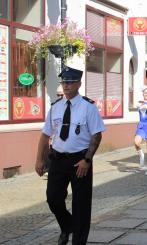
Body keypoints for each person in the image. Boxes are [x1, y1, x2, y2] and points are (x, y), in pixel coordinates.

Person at [35, 66, 105, 244]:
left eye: (70, 82)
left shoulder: (88, 107)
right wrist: (39, 159)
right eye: (64, 82)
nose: (66, 86)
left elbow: (96, 135)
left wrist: (87, 160)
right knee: (53, 199)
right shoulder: (56, 107)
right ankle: (67, 225)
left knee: (81, 205)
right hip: (57, 159)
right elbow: (45, 135)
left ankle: (78, 241)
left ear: (79, 84)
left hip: (80, 161)